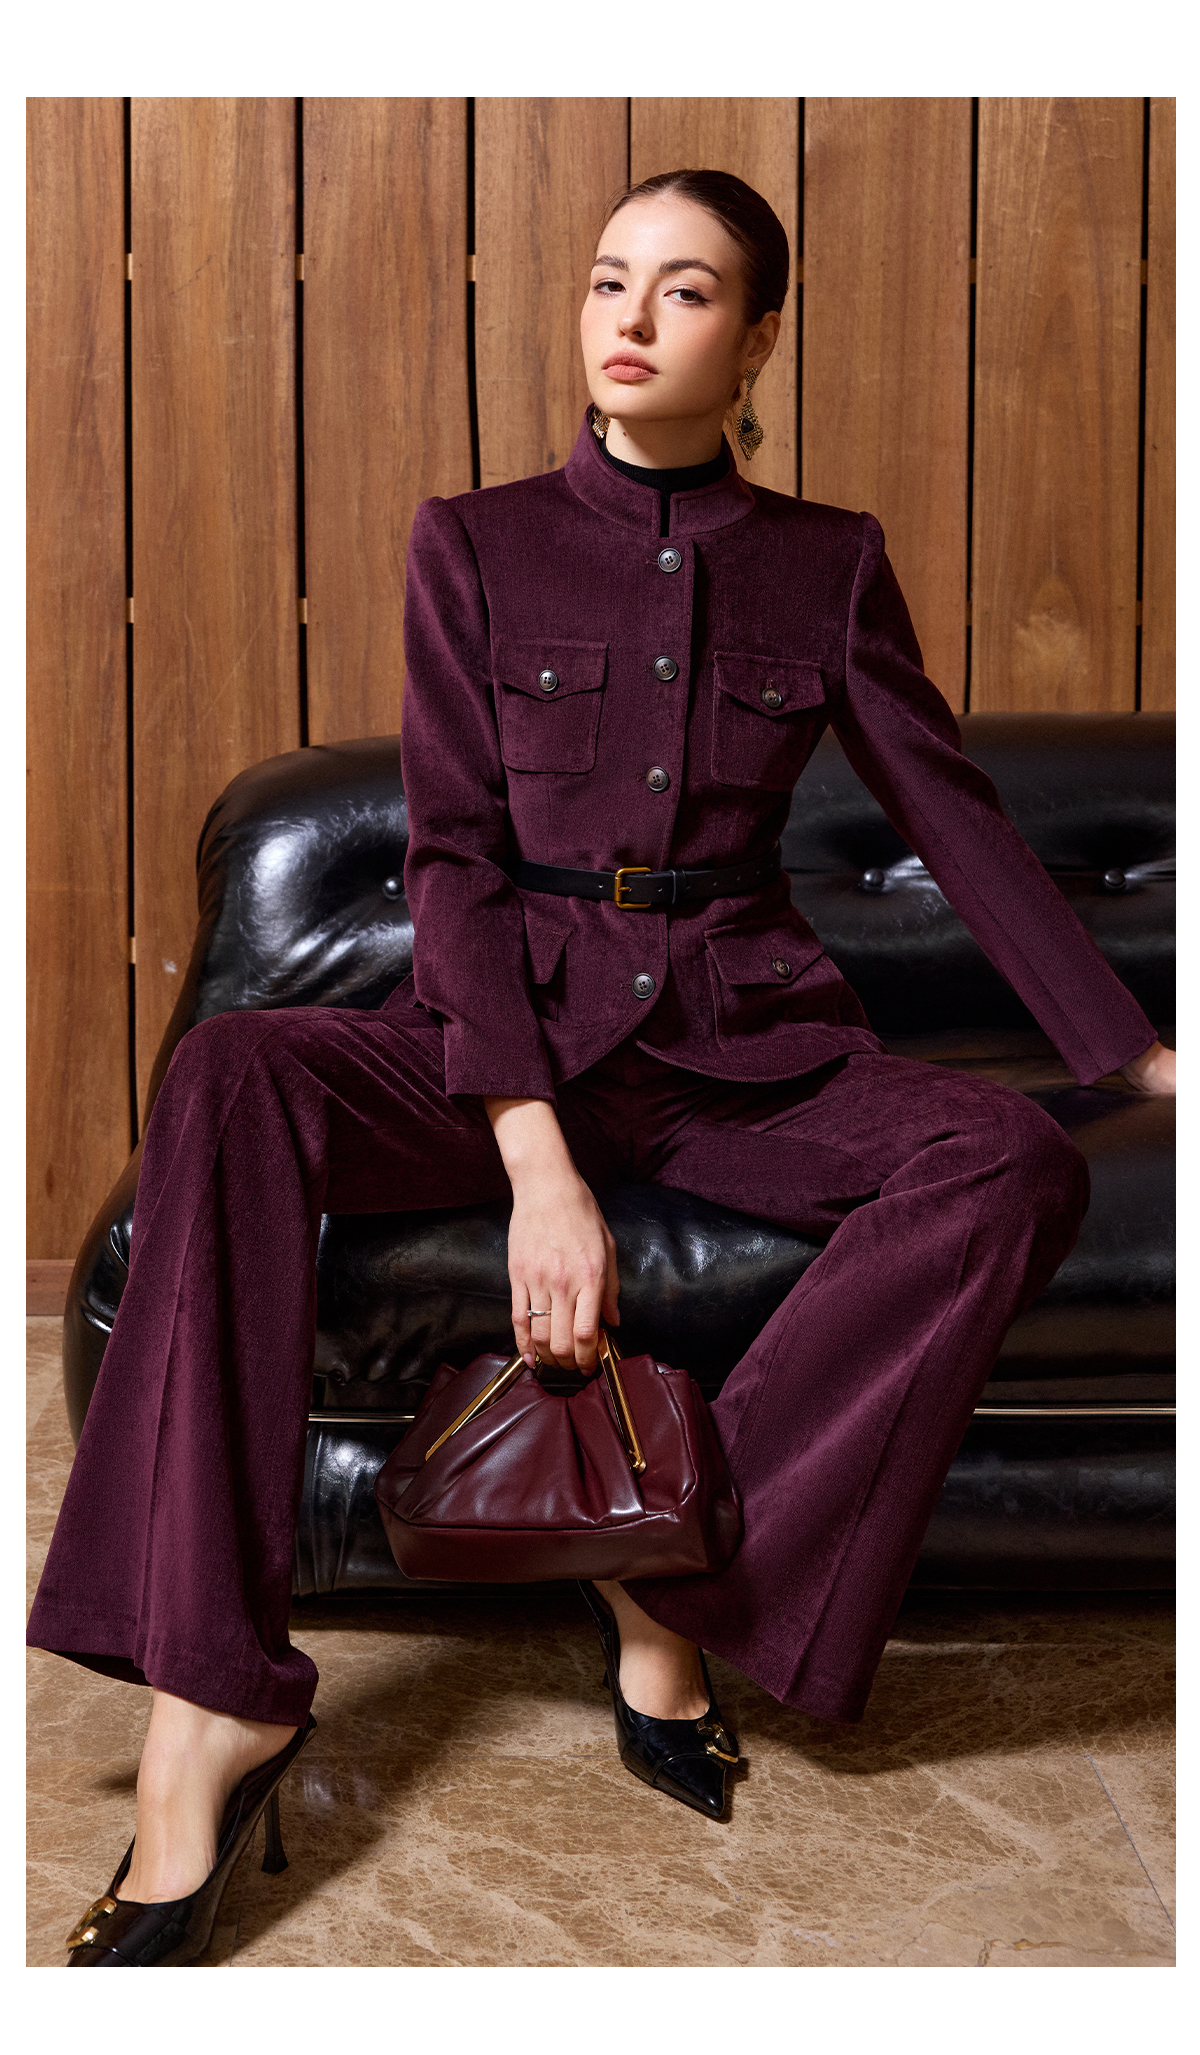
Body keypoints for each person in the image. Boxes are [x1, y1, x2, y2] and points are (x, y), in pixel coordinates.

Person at [29, 168, 1175, 1966]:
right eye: (607, 280)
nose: (630, 319)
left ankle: (669, 1571)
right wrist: (535, 1162)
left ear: (758, 339)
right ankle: (212, 1703)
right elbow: (452, 856)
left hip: (740, 1048)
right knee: (236, 1073)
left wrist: (1136, 1050)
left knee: (1010, 1162)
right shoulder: (472, 543)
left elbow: (949, 816)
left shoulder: (826, 561)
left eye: (686, 290)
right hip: (505, 1042)